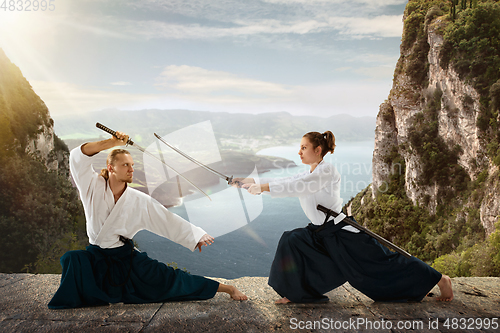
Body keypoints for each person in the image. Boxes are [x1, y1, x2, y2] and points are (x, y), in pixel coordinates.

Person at [233, 131, 453, 304]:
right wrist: (250, 182)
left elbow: (296, 186)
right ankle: (296, 294)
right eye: (299, 147)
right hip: (321, 233)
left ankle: (440, 279)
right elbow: (287, 181)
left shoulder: (326, 171)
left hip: (342, 233)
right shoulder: (310, 171)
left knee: (382, 264)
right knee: (292, 241)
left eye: (303, 147)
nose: (299, 152)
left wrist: (261, 188)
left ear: (318, 150)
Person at [48, 131, 247, 309]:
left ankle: (227, 288)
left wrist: (195, 235)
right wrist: (111, 142)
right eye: (125, 165)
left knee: (170, 279)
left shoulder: (138, 200)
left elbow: (166, 219)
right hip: (95, 257)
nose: (131, 169)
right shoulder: (91, 186)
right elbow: (77, 156)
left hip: (124, 257)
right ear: (110, 167)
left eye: (132, 165)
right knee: (72, 259)